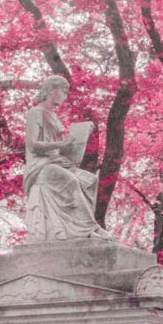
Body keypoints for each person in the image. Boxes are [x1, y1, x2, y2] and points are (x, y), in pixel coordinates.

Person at [23, 75, 114, 242]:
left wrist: (79, 137)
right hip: (40, 167)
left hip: (56, 162)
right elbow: (32, 145)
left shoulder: (54, 116)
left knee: (90, 180)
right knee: (70, 181)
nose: (65, 96)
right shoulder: (35, 113)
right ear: (51, 90)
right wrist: (61, 144)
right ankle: (89, 229)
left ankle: (86, 226)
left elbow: (60, 147)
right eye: (63, 91)